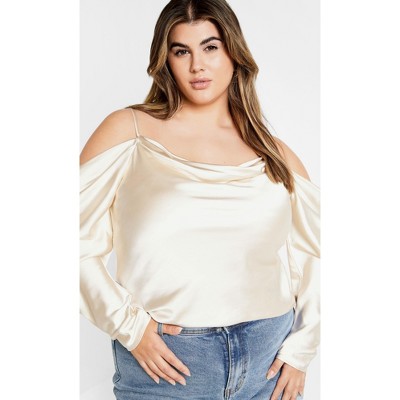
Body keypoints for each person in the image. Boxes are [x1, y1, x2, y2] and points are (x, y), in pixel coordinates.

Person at [79, 0, 320, 399]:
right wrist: (129, 326)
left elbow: (315, 256)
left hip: (268, 360)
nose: (197, 66)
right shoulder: (129, 132)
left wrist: (302, 349)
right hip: (167, 364)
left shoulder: (274, 153)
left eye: (210, 47)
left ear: (233, 52)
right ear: (166, 60)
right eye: (181, 51)